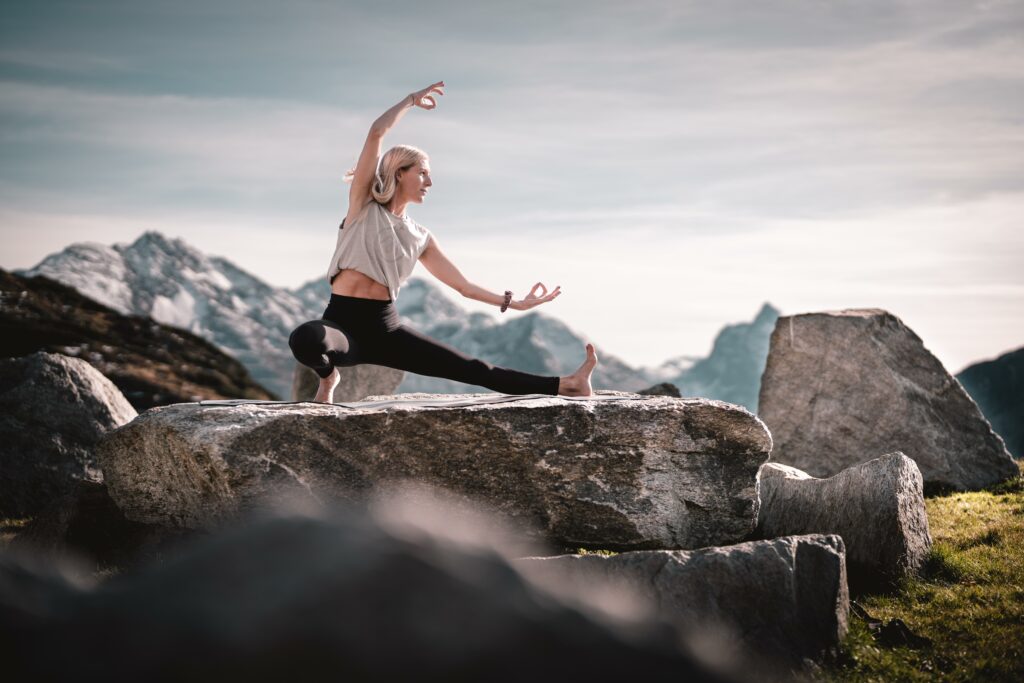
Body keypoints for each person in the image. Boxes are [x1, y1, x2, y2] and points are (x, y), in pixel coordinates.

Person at [288, 81, 598, 403]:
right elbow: (376, 133)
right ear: (399, 173)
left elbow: (463, 286)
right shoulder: (362, 206)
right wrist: (409, 101)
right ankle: (329, 377)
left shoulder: (421, 236)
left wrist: (515, 302)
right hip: (341, 327)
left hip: (385, 330)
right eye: (422, 173)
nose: (430, 182)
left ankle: (569, 385)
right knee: (305, 339)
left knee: (474, 369)